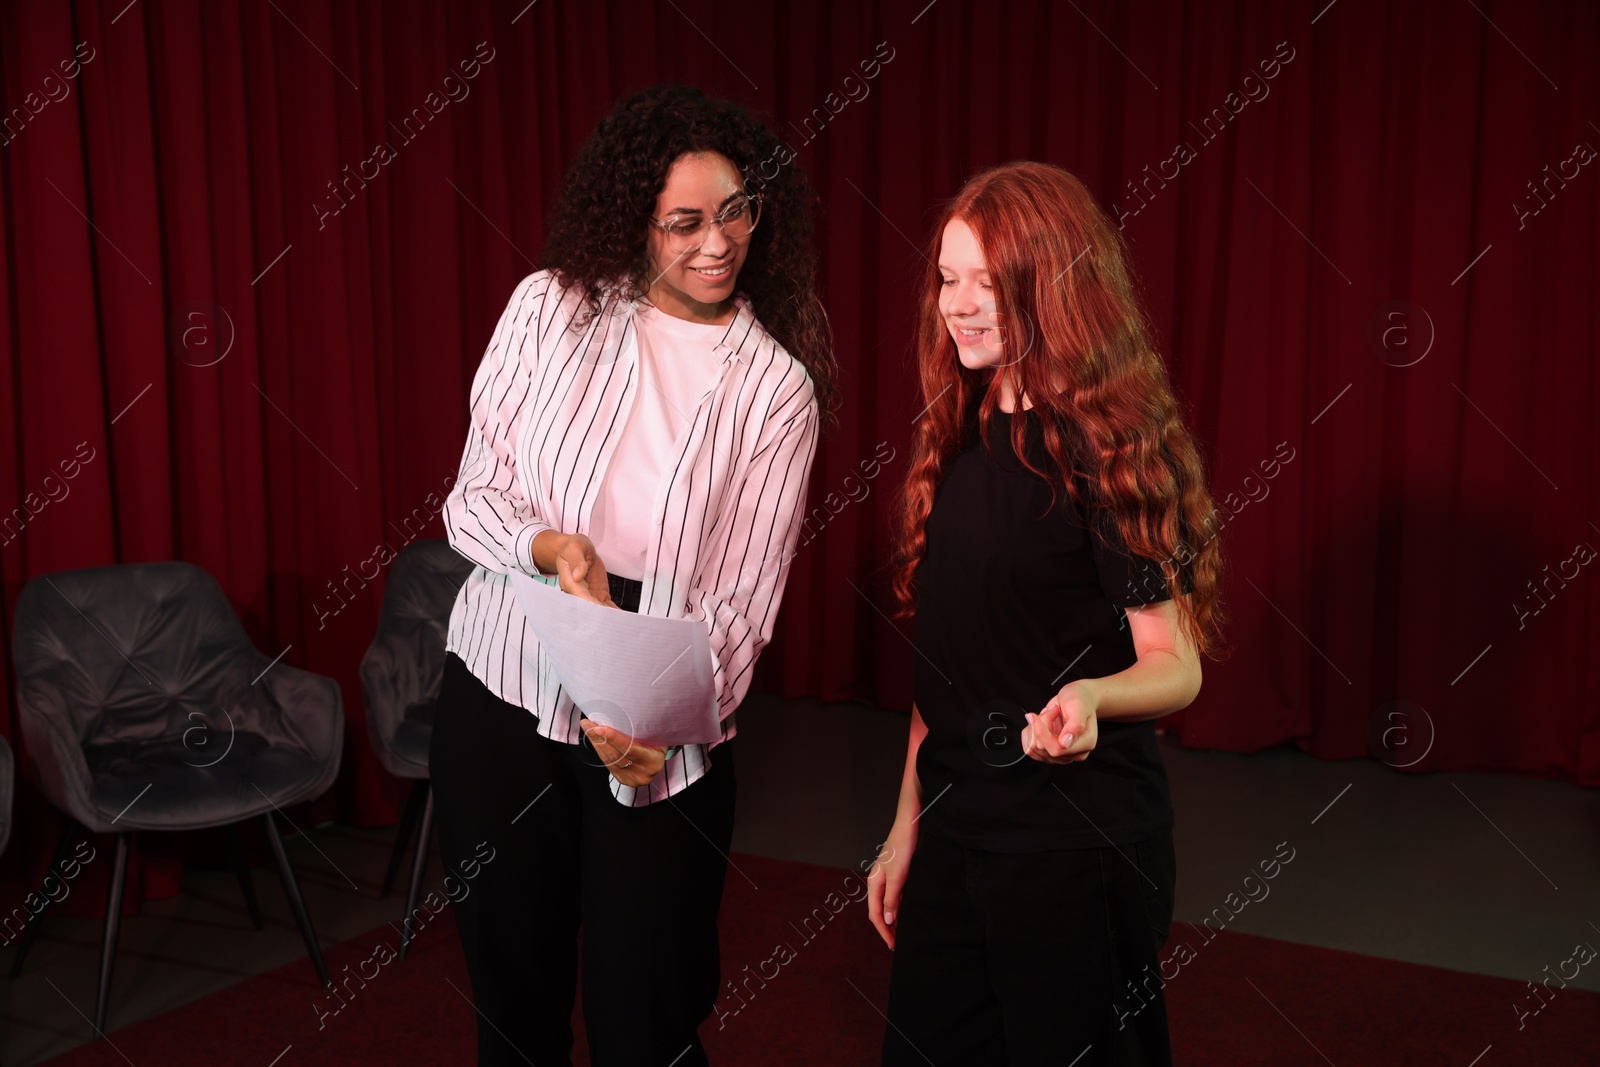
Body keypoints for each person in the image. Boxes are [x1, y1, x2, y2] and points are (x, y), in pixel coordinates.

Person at [429, 84, 836, 1067]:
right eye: (685, 221)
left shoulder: (776, 387)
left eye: (737, 211)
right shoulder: (550, 307)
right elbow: (472, 495)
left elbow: (741, 602)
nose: (717, 242)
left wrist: (643, 718)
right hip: (501, 678)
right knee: (512, 1006)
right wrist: (552, 550)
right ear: (634, 218)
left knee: (644, 1021)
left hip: (660, 707)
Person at [866, 161, 1228, 1066]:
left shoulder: (1108, 451)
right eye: (949, 279)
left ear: (1054, 286)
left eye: (990, 282)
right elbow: (946, 673)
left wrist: (1095, 699)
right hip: (958, 829)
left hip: (1075, 843)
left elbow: (1173, 663)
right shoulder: (962, 428)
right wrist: (906, 827)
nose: (959, 304)